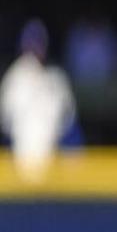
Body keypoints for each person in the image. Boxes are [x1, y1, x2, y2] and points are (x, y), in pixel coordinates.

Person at [0, 18, 80, 182]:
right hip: (20, 168)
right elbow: (5, 127)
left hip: (53, 167)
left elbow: (69, 126)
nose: (34, 50)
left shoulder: (56, 79)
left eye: (37, 44)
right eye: (30, 44)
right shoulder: (14, 79)